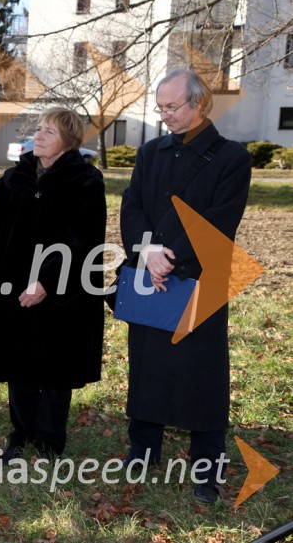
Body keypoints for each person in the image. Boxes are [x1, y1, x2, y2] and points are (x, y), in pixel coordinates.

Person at [119, 68, 251, 503]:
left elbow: (218, 221)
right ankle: (143, 451)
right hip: (149, 275)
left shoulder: (232, 157)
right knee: (146, 367)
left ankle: (206, 467)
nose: (165, 115)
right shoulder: (151, 152)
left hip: (200, 279)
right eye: (160, 108)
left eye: (172, 107)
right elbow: (132, 205)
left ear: (198, 104)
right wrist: (146, 252)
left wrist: (166, 256)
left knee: (203, 375)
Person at [0, 107, 106, 461]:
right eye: (39, 129)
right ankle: (21, 433)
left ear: (68, 142)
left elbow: (84, 240)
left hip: (62, 294)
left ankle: (49, 442)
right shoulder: (15, 178)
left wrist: (48, 281)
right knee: (18, 362)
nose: (38, 136)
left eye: (49, 132)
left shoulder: (85, 182)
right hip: (11, 287)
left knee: (56, 367)